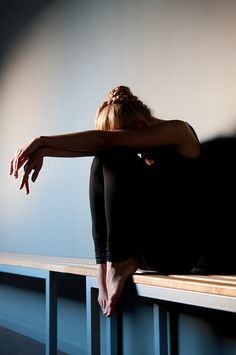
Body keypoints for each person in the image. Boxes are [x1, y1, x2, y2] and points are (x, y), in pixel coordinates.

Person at [10, 85, 201, 317]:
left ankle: (118, 261)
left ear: (140, 127)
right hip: (145, 250)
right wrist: (45, 150)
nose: (117, 142)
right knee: (103, 158)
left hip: (177, 252)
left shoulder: (179, 131)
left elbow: (106, 142)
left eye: (122, 137)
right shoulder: (143, 147)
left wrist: (41, 140)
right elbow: (102, 145)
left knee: (111, 153)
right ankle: (105, 263)